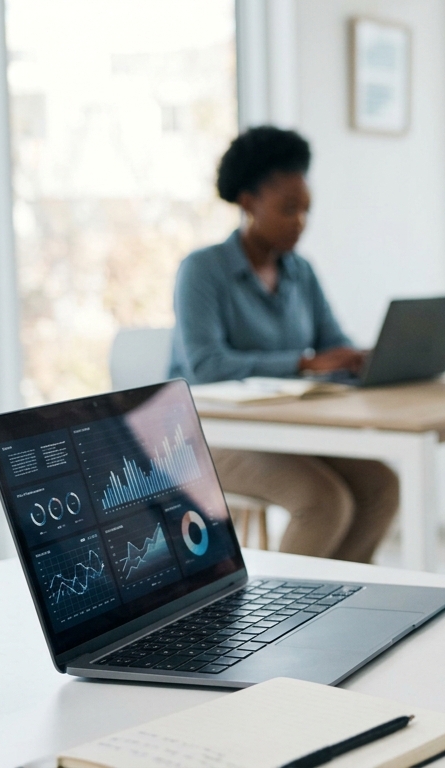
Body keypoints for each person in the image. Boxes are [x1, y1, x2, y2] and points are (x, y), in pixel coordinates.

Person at [169, 126, 398, 563]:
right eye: (288, 209)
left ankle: (339, 602)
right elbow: (206, 365)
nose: (300, 223)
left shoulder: (300, 272)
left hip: (285, 429)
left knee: (380, 486)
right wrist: (305, 363)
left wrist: (357, 359)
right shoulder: (202, 270)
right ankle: (281, 618)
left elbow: (333, 344)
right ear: (248, 201)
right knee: (322, 502)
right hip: (205, 435)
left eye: (306, 210)